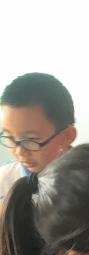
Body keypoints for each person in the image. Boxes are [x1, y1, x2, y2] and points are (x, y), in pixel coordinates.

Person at [0, 72, 76, 200]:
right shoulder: (4, 182)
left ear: (67, 136)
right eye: (10, 137)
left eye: (30, 139)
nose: (20, 152)